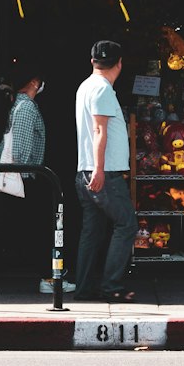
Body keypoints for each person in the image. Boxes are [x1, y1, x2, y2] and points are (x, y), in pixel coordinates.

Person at [0, 67, 76, 298]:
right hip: (21, 180)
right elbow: (19, 150)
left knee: (31, 230)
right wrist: (5, 177)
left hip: (20, 179)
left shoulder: (20, 106)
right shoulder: (26, 108)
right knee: (10, 231)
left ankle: (48, 277)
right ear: (34, 82)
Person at [74, 39, 137, 302]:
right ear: (119, 64)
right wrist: (99, 170)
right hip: (104, 173)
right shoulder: (102, 90)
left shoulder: (85, 87)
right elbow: (100, 130)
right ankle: (111, 286)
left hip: (86, 171)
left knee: (93, 231)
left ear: (92, 61)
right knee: (126, 224)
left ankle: (84, 286)